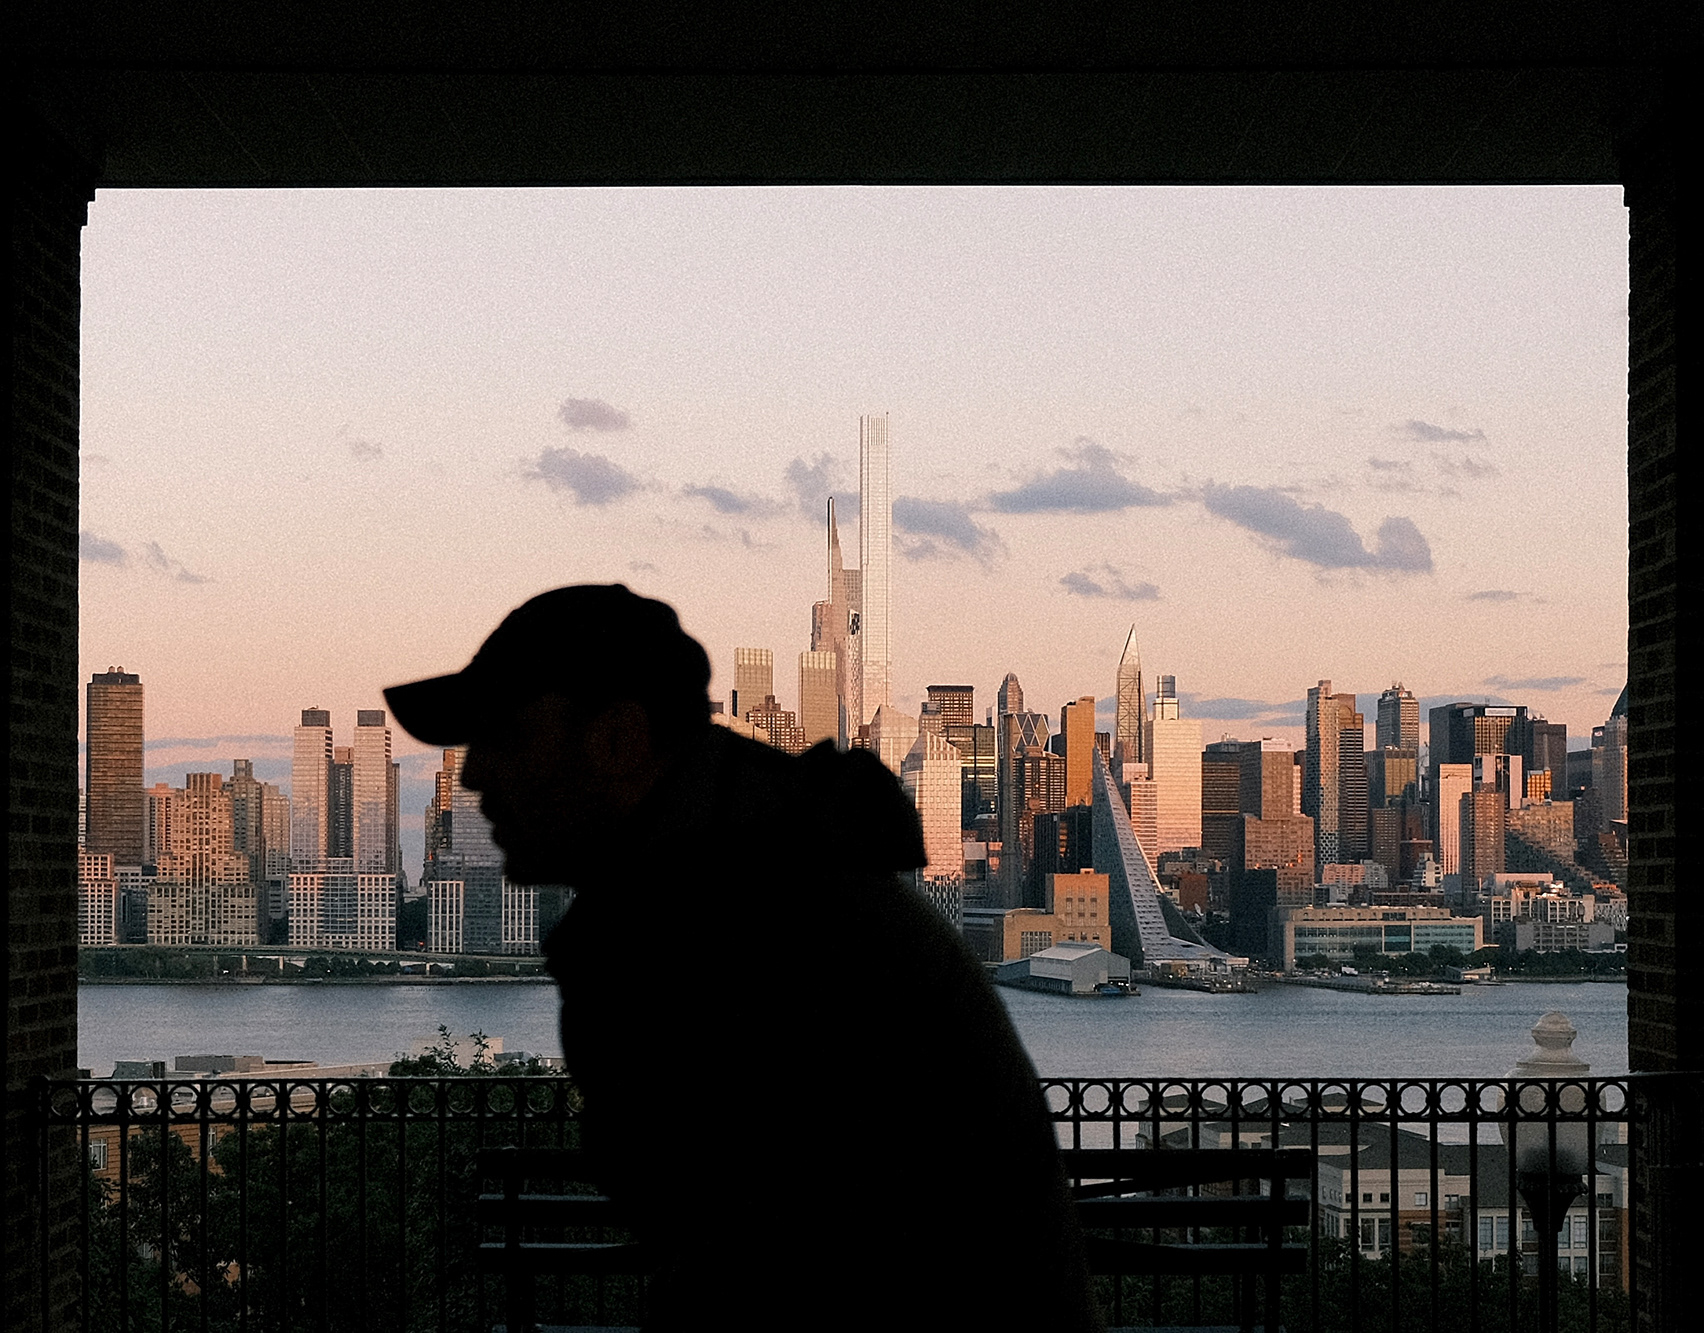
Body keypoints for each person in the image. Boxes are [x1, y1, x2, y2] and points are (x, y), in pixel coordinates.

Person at [386, 584, 1101, 1331]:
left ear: (618, 740)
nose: (473, 775)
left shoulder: (728, 925)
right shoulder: (759, 879)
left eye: (505, 737)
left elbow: (758, 1270)